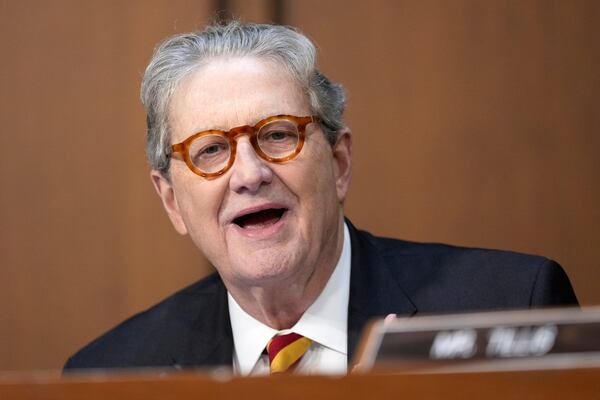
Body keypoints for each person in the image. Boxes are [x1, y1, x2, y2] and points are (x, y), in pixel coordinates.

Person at [64, 21, 577, 375]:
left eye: (278, 134)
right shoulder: (110, 373)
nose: (249, 174)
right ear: (173, 201)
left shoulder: (511, 306)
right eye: (212, 149)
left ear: (338, 164)